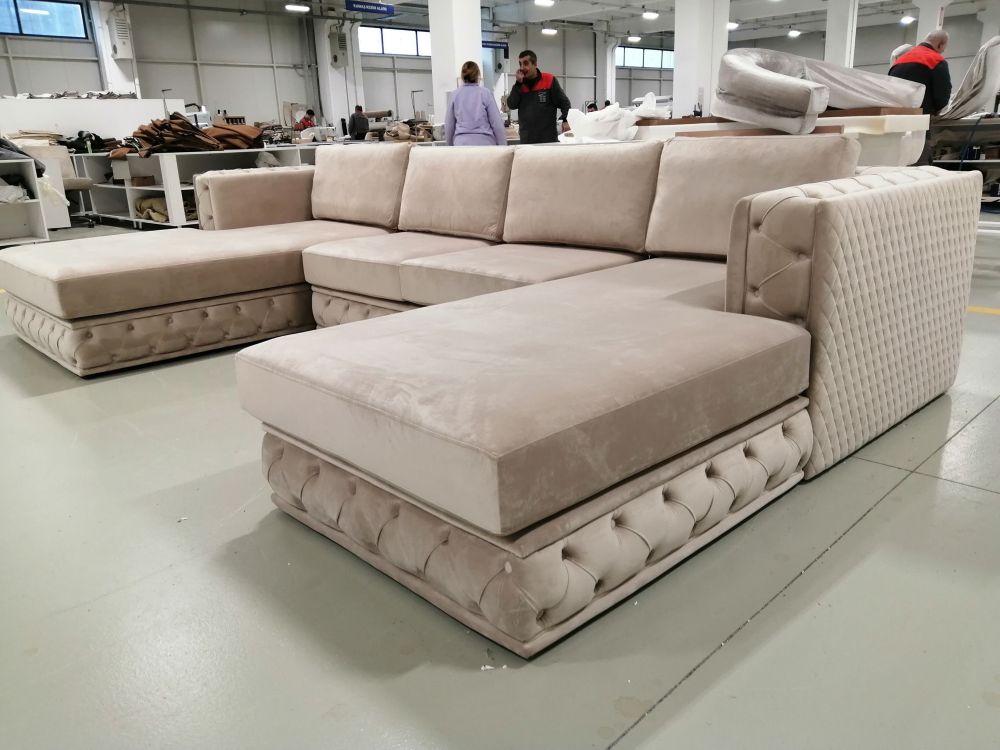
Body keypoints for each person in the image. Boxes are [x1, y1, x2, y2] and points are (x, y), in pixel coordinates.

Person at [507, 49, 571, 144]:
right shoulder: (520, 85)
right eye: (520, 64)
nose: (522, 67)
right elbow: (511, 104)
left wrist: (566, 120)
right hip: (527, 140)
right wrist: (518, 84)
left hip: (548, 139)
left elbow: (564, 103)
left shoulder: (549, 80)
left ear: (535, 64)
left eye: (525, 63)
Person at [889, 30, 952, 115]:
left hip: (895, 116)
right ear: (940, 45)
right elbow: (942, 97)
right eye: (943, 50)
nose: (942, 52)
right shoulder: (936, 61)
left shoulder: (898, 62)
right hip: (922, 118)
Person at [445, 61, 507, 146]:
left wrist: (449, 146)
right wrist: (503, 146)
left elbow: (449, 126)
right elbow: (497, 124)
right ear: (478, 75)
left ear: (462, 76)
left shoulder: (454, 95)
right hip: (485, 144)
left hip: (461, 145)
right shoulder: (486, 93)